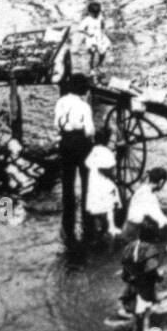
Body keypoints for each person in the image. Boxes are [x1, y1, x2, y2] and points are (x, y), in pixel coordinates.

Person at [54, 73, 95, 241]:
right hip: (81, 143)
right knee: (86, 178)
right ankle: (87, 216)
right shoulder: (84, 106)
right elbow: (89, 130)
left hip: (65, 142)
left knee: (67, 179)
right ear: (83, 89)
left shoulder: (61, 102)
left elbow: (56, 124)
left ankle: (68, 217)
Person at [117, 218, 164, 331]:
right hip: (144, 285)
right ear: (153, 235)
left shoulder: (130, 246)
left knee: (136, 308)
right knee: (146, 311)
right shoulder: (151, 249)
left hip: (132, 283)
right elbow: (150, 269)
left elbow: (124, 264)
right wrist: (159, 277)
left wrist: (128, 276)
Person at [84, 127, 121, 240]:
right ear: (106, 140)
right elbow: (108, 168)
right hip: (104, 182)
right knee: (109, 205)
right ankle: (111, 227)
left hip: (94, 181)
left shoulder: (94, 150)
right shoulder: (107, 152)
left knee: (96, 204)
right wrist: (114, 179)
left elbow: (87, 163)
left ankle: (98, 227)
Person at [124, 167, 167, 239]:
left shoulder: (142, 189)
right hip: (135, 232)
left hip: (128, 227)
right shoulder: (149, 196)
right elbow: (161, 220)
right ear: (161, 182)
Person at [78, 1, 111, 77]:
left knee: (103, 52)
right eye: (94, 14)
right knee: (93, 54)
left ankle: (99, 65)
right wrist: (88, 33)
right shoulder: (87, 19)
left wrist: (103, 31)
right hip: (92, 38)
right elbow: (80, 29)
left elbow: (102, 24)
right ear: (89, 12)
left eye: (97, 13)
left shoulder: (100, 17)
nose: (96, 15)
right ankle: (92, 68)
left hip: (99, 37)